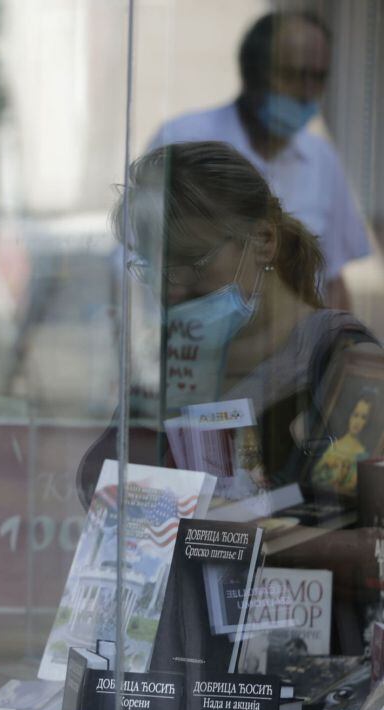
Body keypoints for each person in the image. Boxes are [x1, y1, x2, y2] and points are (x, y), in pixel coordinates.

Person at [81, 140, 383, 656]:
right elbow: (104, 481)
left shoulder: (341, 358)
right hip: (183, 667)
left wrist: (235, 531)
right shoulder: (174, 360)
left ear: (262, 242)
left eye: (190, 263)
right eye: (153, 268)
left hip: (306, 673)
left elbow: (376, 553)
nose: (171, 291)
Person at [150, 11, 369, 310]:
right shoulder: (184, 137)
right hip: (199, 343)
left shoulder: (322, 158)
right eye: (291, 74)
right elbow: (140, 256)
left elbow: (332, 279)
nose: (307, 92)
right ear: (253, 72)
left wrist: (342, 346)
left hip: (296, 346)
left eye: (317, 77)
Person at [311, 388, 377, 497]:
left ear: (367, 422)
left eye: (363, 417)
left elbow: (351, 487)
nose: (357, 422)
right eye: (355, 415)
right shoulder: (333, 445)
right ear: (349, 416)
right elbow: (315, 476)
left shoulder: (363, 455)